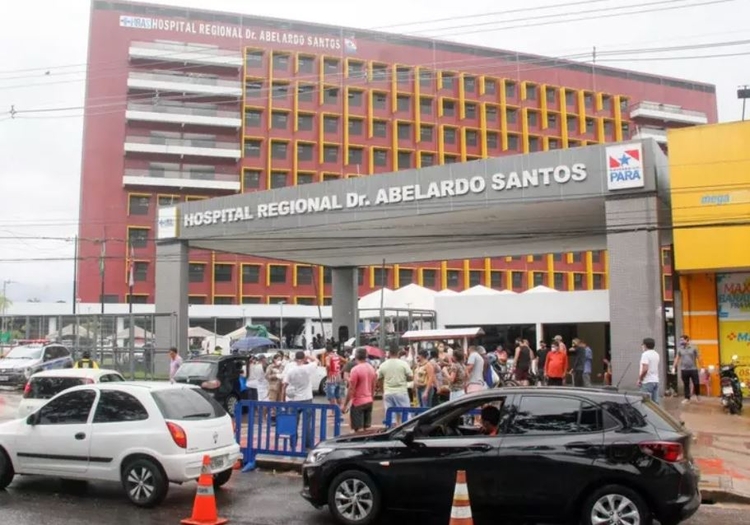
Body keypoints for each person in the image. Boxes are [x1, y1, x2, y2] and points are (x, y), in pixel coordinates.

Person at [281, 351, 320, 449]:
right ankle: (307, 445)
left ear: (295, 359)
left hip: (294, 400)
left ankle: (292, 444)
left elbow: (284, 386)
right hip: (307, 399)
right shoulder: (308, 368)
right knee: (307, 424)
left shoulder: (291, 371)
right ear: (304, 359)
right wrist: (309, 356)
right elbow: (316, 361)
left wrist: (283, 401)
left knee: (293, 423)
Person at [344, 347, 377, 433]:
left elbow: (351, 388)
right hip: (369, 401)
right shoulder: (371, 368)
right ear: (366, 356)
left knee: (358, 430)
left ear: (355, 356)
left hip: (358, 403)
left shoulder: (355, 370)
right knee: (366, 429)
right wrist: (371, 398)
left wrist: (345, 405)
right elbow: (373, 386)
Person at [377, 347, 413, 412]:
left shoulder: (383, 365)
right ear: (398, 353)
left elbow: (379, 379)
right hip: (401, 392)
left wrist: (383, 391)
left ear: (389, 353)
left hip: (388, 392)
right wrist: (404, 378)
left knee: (390, 415)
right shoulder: (404, 364)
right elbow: (410, 377)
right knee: (405, 414)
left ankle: (393, 422)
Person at [675, 334, 701, 403]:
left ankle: (698, 395)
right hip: (684, 369)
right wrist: (674, 367)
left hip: (693, 369)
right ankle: (687, 398)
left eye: (682, 340)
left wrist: (702, 367)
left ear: (687, 340)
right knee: (686, 384)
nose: (681, 341)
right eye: (680, 340)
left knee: (696, 383)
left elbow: (699, 357)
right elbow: (677, 358)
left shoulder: (694, 347)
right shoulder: (680, 349)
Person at [638, 337, 661, 403]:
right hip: (655, 381)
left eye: (643, 344)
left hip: (647, 381)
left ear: (645, 345)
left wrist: (640, 379)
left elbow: (645, 369)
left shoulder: (645, 354)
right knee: (655, 403)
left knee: (645, 402)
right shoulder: (656, 354)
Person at [324, 343, 344, 409]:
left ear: (326, 351)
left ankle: (333, 411)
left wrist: (328, 373)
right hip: (338, 376)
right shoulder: (337, 356)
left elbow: (328, 365)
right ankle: (340, 408)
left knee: (331, 395)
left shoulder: (328, 357)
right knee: (337, 394)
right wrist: (340, 369)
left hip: (332, 377)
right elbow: (345, 361)